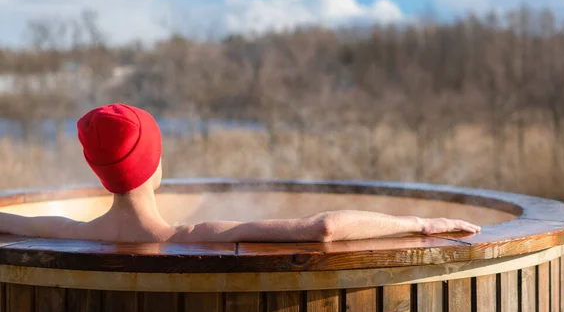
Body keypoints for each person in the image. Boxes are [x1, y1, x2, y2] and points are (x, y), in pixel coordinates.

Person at [0, 103, 481, 243]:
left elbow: (12, 221)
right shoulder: (190, 236)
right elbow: (325, 227)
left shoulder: (68, 232)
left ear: (99, 172)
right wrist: (419, 223)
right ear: (156, 165)